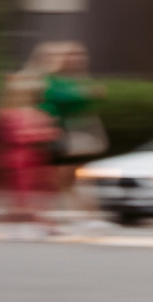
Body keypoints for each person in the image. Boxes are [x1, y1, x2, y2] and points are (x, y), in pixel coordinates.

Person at [37, 41, 103, 210]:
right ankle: (43, 216)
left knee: (75, 181)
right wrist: (85, 94)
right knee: (63, 181)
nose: (77, 59)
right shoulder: (52, 80)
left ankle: (84, 216)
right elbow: (50, 101)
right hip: (62, 136)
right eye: (71, 55)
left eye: (80, 55)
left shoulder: (80, 79)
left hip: (81, 136)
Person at [0, 73, 53, 235]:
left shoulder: (36, 112)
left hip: (34, 158)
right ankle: (28, 223)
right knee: (21, 193)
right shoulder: (8, 114)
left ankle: (37, 222)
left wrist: (43, 132)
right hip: (17, 160)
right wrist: (40, 133)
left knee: (39, 191)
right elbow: (14, 137)